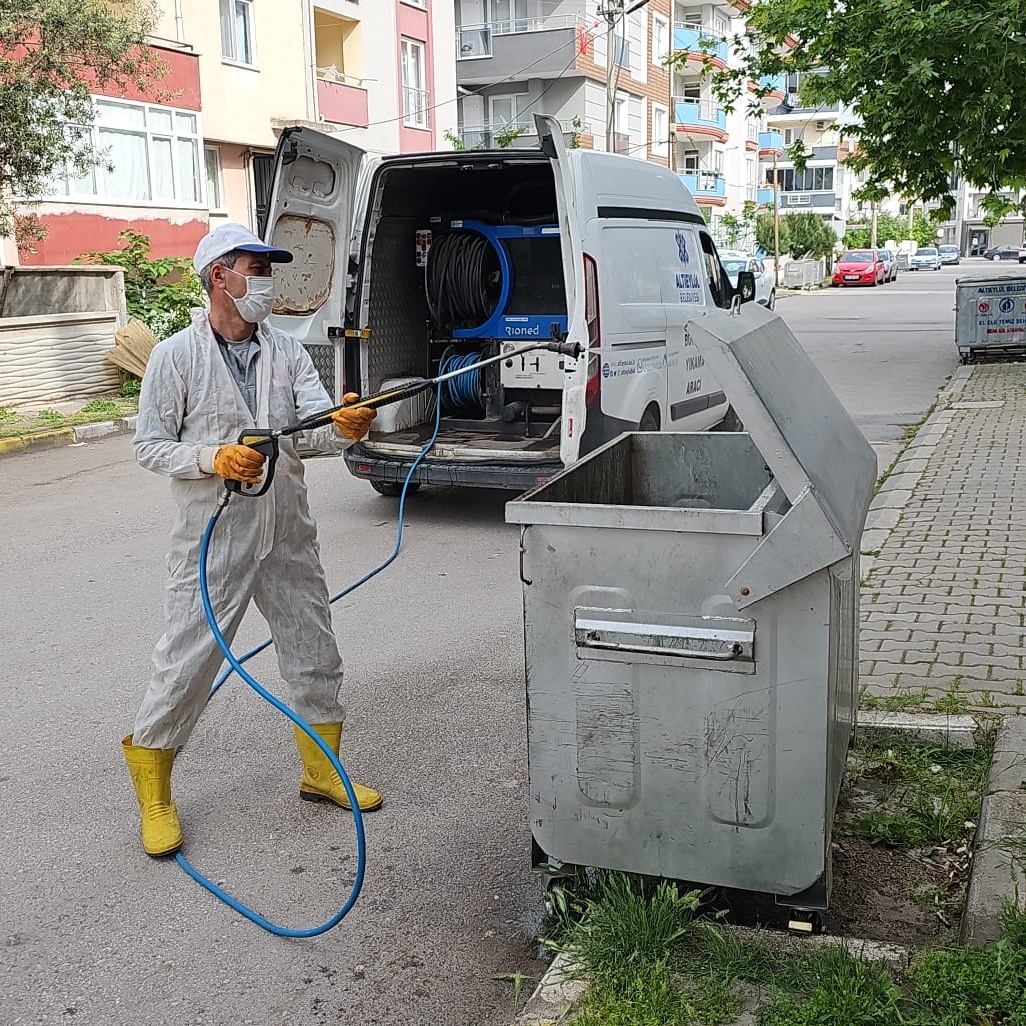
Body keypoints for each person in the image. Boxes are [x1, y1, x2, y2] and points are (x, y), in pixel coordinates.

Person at [121, 223, 381, 858]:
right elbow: (149, 446)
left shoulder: (287, 353)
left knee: (314, 647)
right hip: (216, 536)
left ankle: (321, 771)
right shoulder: (174, 358)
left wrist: (346, 426)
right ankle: (154, 792)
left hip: (287, 530)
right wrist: (214, 458)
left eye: (268, 270)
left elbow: (310, 435)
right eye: (255, 269)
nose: (266, 280)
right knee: (187, 660)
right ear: (220, 277)